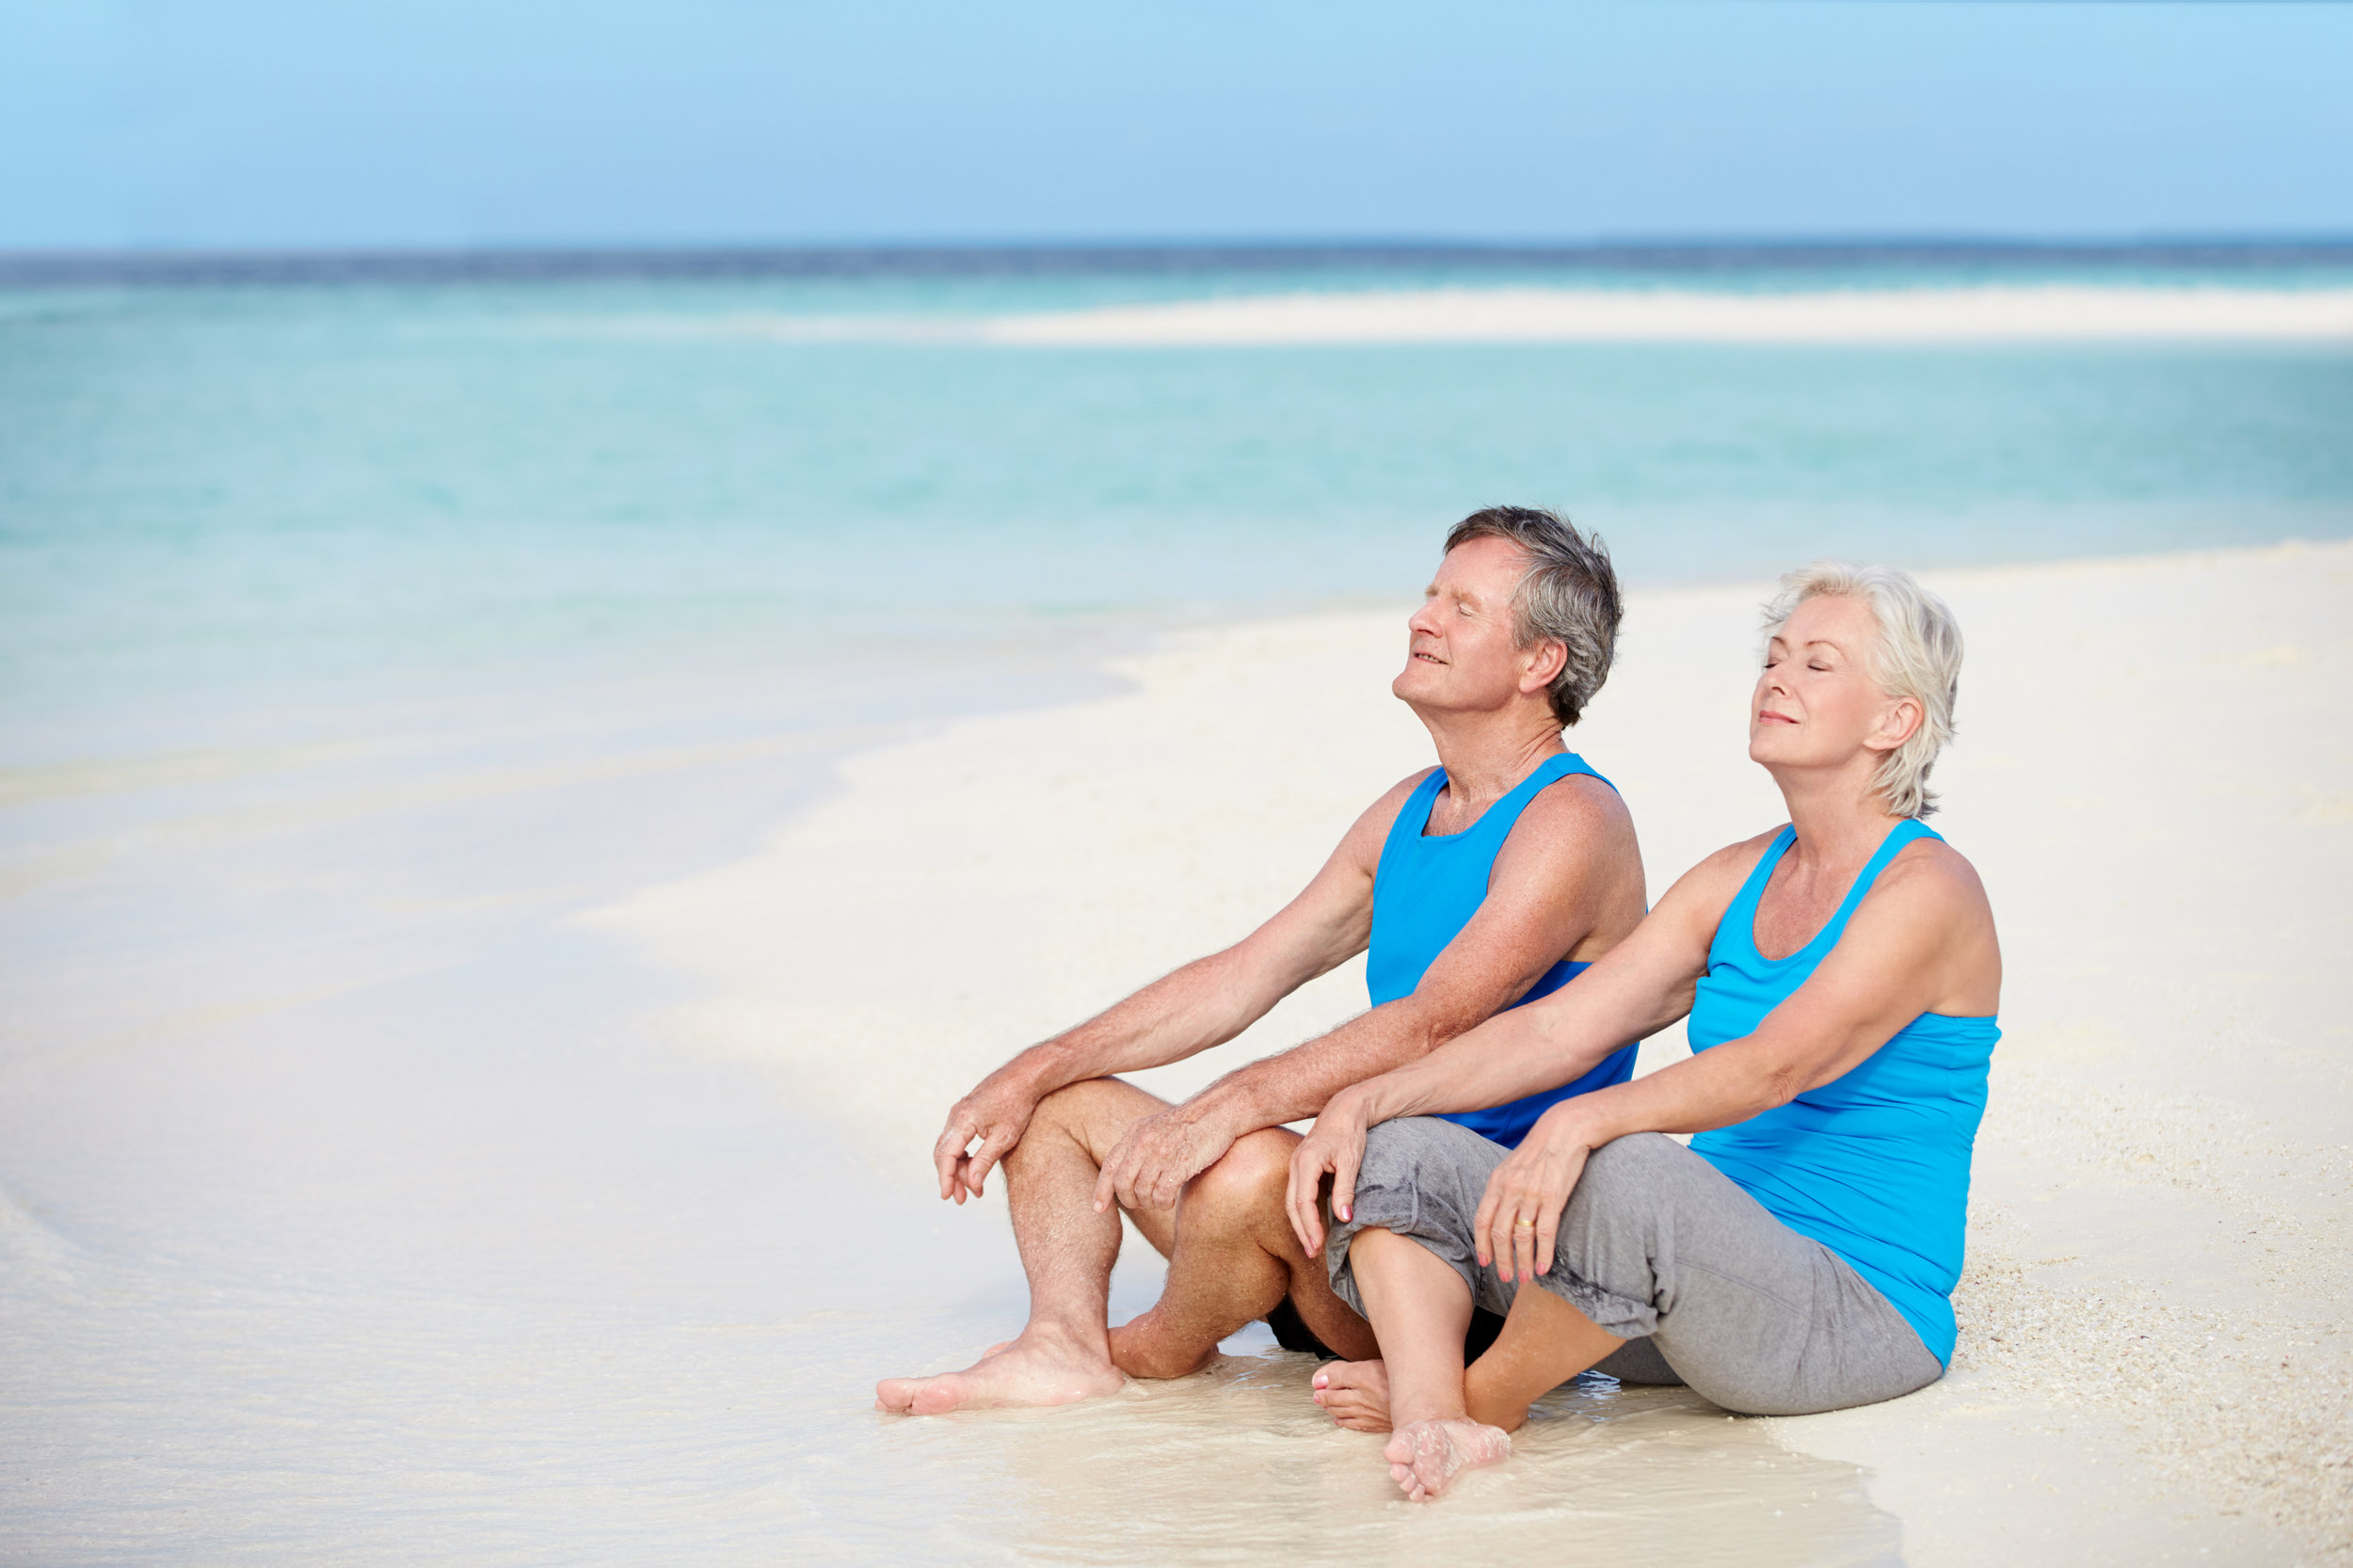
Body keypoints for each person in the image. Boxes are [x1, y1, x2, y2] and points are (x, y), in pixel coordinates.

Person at [874, 507, 1649, 1416]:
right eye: (1430, 595)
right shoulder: (1410, 807)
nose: (1423, 619)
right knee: (1061, 1108)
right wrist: (1028, 1069)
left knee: (1245, 1168)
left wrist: (1227, 1109)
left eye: (1463, 608)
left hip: (1457, 1265)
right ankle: (1063, 1345)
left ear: (1538, 663)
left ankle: (1160, 1346)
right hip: (1336, 1207)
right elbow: (1246, 974)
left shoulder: (1574, 821)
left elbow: (1432, 1022)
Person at [1287, 561, 2000, 1501]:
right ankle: (1428, 1413)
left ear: (1893, 721)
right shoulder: (1735, 876)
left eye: (1817, 665)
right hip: (1671, 1309)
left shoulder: (1929, 892)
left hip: (1845, 1319)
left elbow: (1775, 1064)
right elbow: (1557, 1030)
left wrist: (1579, 1122)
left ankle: (1482, 1398)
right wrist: (1367, 1096)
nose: (1775, 679)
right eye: (1775, 657)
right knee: (1405, 1146)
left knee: (1625, 1161)